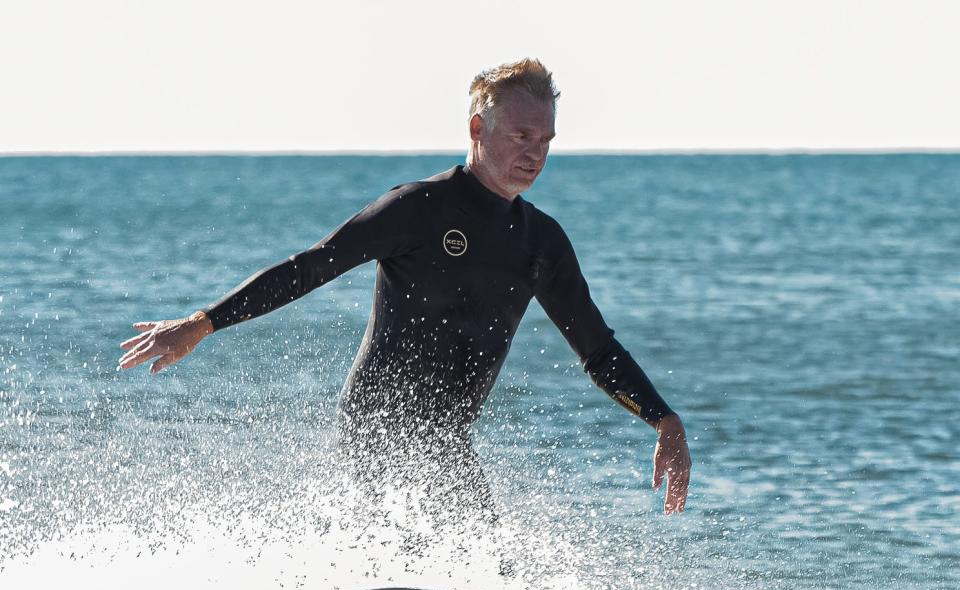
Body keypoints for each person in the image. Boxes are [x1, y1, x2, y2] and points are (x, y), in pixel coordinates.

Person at [119, 58, 691, 519]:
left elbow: (597, 349)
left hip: (446, 441)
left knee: (483, 574)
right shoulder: (419, 208)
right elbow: (314, 265)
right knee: (413, 565)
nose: (535, 153)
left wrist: (663, 420)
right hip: (377, 427)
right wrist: (204, 322)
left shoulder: (541, 243)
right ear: (477, 129)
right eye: (521, 135)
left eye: (546, 139)